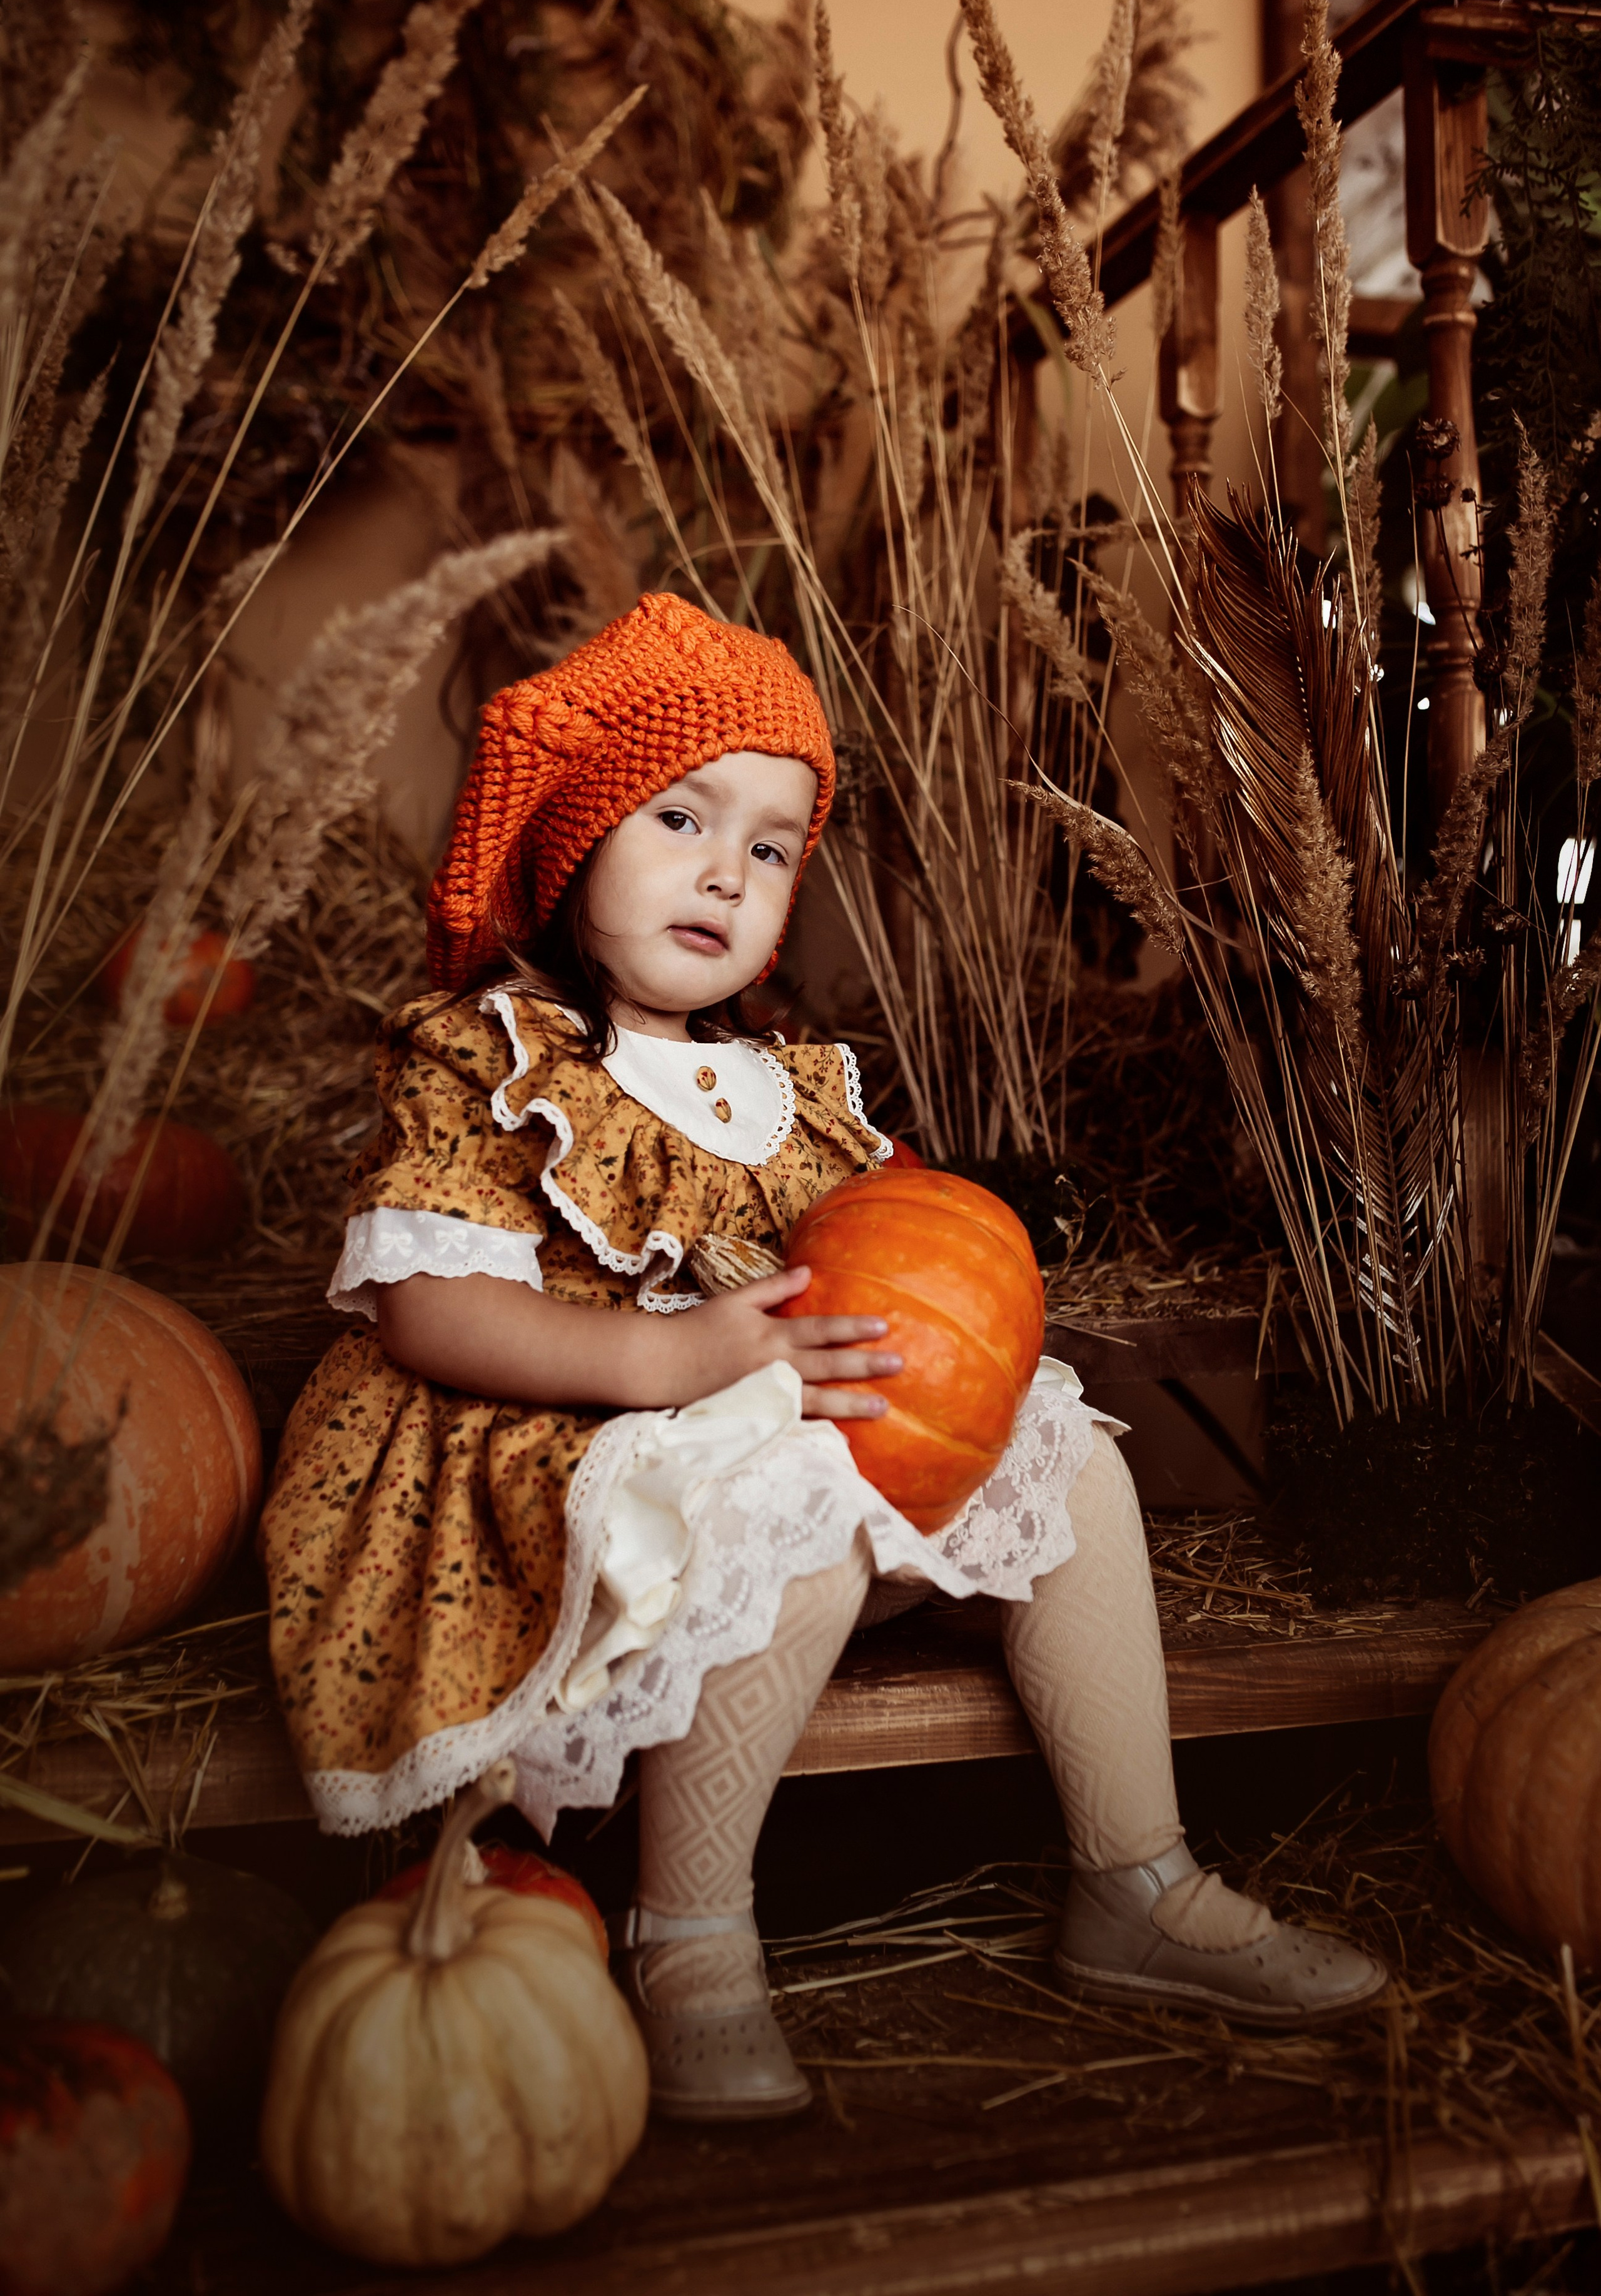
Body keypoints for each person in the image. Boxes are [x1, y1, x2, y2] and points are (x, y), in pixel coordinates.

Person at [261, 590, 1385, 2123]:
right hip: (584, 1445)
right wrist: (673, 1365)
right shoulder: (496, 1061)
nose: (727, 870)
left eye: (773, 846)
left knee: (1076, 1470)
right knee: (783, 1498)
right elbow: (426, 1311)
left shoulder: (793, 1093)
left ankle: (1137, 1877)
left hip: (800, 1440)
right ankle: (693, 1941)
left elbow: (889, 1287)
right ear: (578, 836)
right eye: (680, 817)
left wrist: (952, 1334)